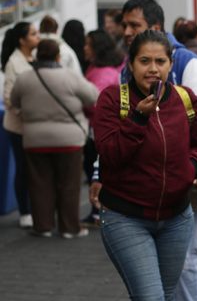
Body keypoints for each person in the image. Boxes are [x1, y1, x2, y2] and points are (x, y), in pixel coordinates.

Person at [97, 0, 197, 301]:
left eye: (160, 61)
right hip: (126, 217)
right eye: (145, 61)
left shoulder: (184, 98)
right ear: (132, 65)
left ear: (170, 64)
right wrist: (138, 118)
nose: (153, 68)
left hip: (175, 217)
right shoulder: (113, 100)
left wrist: (193, 167)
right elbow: (110, 154)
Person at [11, 39, 98, 238]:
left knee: (40, 184)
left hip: (34, 141)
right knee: (69, 184)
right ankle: (69, 228)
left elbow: (14, 101)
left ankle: (43, 226)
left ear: (36, 55)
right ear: (58, 56)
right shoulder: (70, 76)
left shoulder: (25, 78)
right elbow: (93, 95)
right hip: (69, 141)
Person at [81, 29, 126, 226]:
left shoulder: (101, 74)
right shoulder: (102, 68)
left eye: (88, 44)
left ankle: (99, 211)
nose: (84, 48)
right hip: (95, 129)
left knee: (96, 168)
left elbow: (96, 104)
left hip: (97, 131)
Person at [1, 21, 40, 229]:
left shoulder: (35, 58)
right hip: (19, 126)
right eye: (34, 34)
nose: (38, 37)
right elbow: (8, 98)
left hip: (36, 125)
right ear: (22, 40)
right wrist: (26, 113)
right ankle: (24, 211)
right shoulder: (13, 63)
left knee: (35, 169)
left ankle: (35, 208)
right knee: (23, 168)